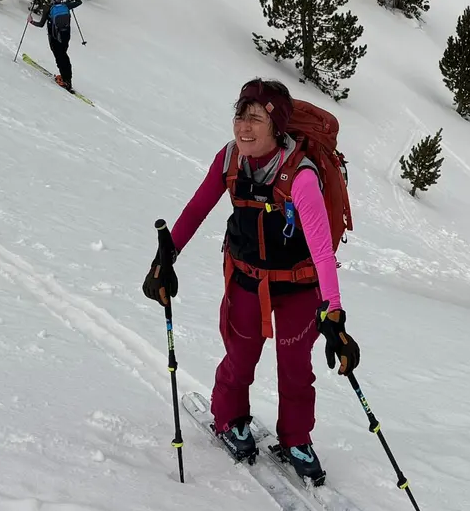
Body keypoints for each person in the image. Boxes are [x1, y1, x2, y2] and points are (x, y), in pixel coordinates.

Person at [142, 79, 359, 484]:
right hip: (246, 276)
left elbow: (323, 251)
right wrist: (165, 256)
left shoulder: (302, 176)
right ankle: (230, 419)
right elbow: (197, 208)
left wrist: (334, 311)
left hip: (298, 282)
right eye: (240, 115)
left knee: (295, 367)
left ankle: (296, 438)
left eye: (255, 118)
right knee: (240, 356)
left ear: (277, 127)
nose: (243, 126)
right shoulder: (228, 160)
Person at [45, 0, 81, 91]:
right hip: (66, 36)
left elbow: (41, 24)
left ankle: (65, 81)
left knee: (59, 57)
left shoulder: (49, 8)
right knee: (64, 56)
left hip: (54, 37)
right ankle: (67, 79)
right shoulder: (66, 5)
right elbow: (79, 2)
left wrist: (31, 21)